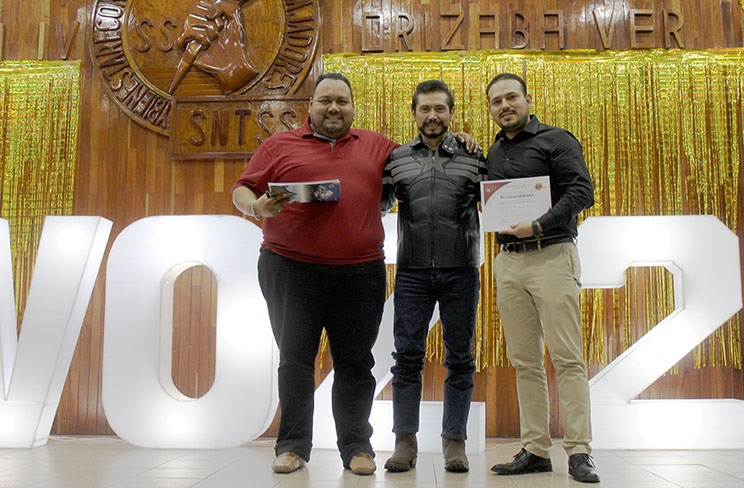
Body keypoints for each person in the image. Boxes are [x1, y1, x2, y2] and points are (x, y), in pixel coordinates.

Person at [231, 73, 397, 476]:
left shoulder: (378, 145)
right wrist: (256, 207)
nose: (333, 108)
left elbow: (421, 158)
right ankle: (291, 447)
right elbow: (242, 189)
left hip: (360, 272)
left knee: (356, 363)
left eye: (342, 100)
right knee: (295, 360)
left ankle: (357, 448)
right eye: (325, 100)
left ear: (353, 107)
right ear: (311, 106)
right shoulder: (278, 145)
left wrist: (460, 140)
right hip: (290, 268)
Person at [484, 73, 600, 484]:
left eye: (511, 97)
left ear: (528, 99)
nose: (504, 106)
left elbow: (582, 192)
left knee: (567, 358)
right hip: (508, 262)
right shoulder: (493, 151)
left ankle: (579, 450)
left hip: (552, 255)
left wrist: (537, 225)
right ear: (491, 108)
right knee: (525, 362)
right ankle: (535, 449)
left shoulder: (556, 140)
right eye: (496, 101)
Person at [381, 80, 487, 473]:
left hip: (462, 270)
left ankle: (454, 444)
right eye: (424, 108)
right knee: (406, 358)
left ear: (451, 113)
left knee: (460, 358)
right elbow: (376, 204)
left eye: (440, 108)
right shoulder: (396, 159)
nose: (432, 116)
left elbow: (498, 202)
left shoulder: (474, 157)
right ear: (414, 113)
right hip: (411, 272)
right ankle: (404, 442)